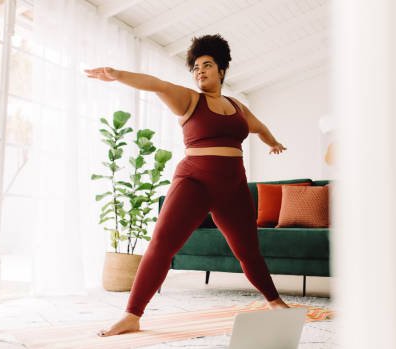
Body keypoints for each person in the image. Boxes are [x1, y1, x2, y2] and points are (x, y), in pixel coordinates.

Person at [85, 34, 289, 337]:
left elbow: (259, 127)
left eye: (207, 65)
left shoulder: (238, 107)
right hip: (194, 182)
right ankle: (132, 314)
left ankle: (275, 302)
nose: (200, 71)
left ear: (222, 70)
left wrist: (273, 143)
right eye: (195, 67)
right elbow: (156, 84)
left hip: (234, 187)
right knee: (162, 245)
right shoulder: (190, 99)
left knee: (248, 251)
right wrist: (118, 76)